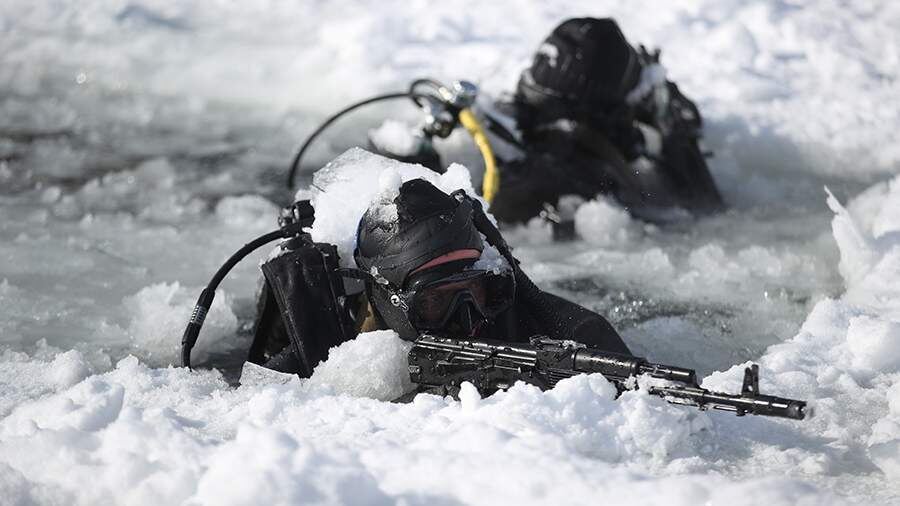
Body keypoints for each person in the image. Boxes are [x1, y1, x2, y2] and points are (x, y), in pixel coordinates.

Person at [246, 178, 632, 379]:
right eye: (434, 302)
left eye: (475, 291)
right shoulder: (330, 349)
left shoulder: (518, 323)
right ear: (385, 298)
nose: (466, 318)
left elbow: (607, 355)